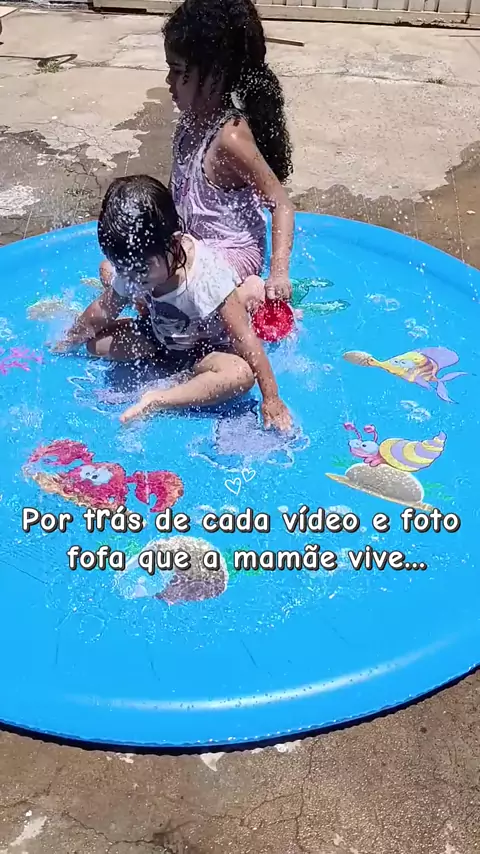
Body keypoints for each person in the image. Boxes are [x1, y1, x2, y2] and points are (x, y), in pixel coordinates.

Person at [53, 175, 292, 430]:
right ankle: (114, 282)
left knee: (240, 375)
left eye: (141, 270)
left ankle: (160, 399)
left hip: (207, 348)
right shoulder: (136, 266)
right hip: (160, 337)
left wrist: (271, 398)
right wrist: (67, 340)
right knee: (93, 343)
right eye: (124, 269)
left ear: (174, 243)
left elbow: (245, 338)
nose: (133, 278)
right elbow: (102, 310)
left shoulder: (206, 277)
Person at [162, 0, 295, 308]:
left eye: (178, 71)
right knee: (121, 269)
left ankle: (249, 294)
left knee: (177, 288)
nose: (168, 80)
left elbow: (282, 205)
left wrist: (278, 274)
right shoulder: (187, 123)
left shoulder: (230, 137)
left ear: (215, 74)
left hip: (233, 255)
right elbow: (175, 197)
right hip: (194, 251)